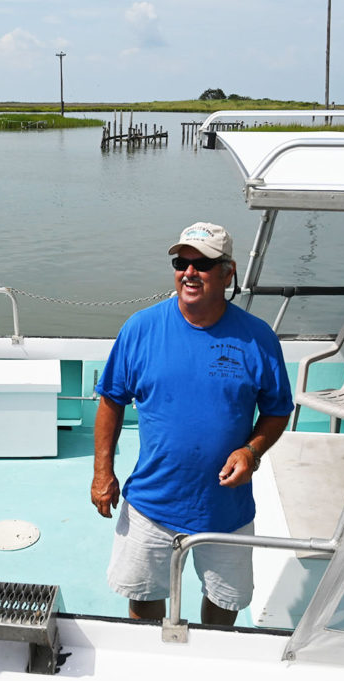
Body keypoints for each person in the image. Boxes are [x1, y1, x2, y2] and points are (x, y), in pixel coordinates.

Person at [91, 221, 293, 625]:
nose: (189, 272)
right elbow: (111, 400)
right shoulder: (141, 329)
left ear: (227, 272)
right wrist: (102, 473)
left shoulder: (258, 339)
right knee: (143, 596)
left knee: (225, 602)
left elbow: (277, 409)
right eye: (182, 262)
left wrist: (251, 450)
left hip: (227, 511)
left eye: (203, 264)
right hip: (152, 502)